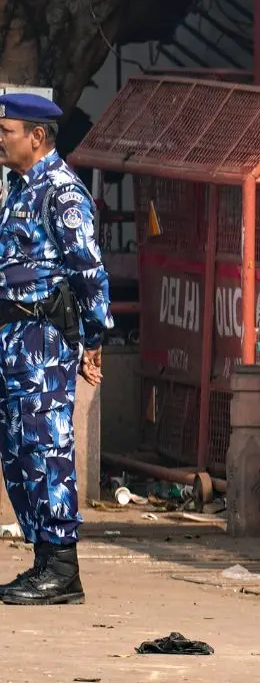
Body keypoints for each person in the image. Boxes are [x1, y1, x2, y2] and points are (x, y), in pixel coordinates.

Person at [0, 94, 111, 606]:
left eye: (7, 131)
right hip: (13, 341)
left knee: (47, 448)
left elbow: (88, 272)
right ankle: (43, 559)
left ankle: (63, 567)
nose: (1, 139)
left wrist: (94, 339)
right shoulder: (20, 190)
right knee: (18, 450)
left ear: (37, 137)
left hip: (43, 340)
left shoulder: (62, 193)